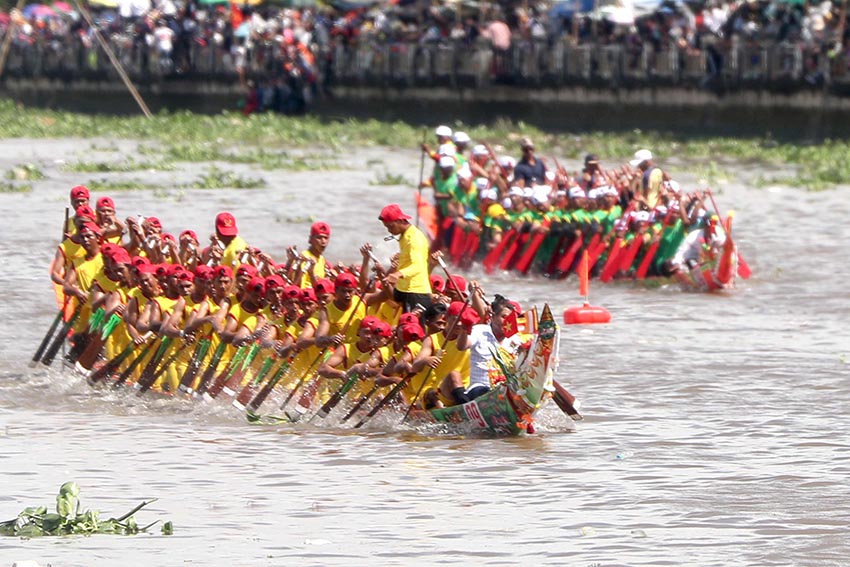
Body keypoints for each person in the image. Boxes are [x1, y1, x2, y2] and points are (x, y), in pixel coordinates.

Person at [457, 293, 523, 401]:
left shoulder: (516, 339)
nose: (507, 322)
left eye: (511, 318)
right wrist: (465, 329)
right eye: (504, 317)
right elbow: (461, 346)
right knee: (487, 392)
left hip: (506, 389)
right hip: (480, 388)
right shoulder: (479, 331)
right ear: (493, 316)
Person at [378, 204, 432, 313]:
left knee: (413, 324)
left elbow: (418, 265)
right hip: (404, 289)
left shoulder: (414, 238)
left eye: (391, 226)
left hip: (416, 292)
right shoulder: (404, 236)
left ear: (400, 221)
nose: (389, 231)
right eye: (386, 227)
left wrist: (397, 274)